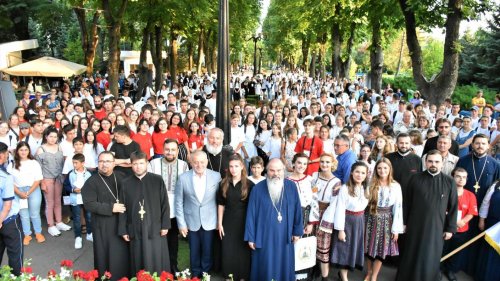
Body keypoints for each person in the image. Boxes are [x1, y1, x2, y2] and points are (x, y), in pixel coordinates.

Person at [395, 150, 458, 281]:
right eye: (430, 161)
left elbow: (453, 207)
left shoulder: (449, 182)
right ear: (425, 162)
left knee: (431, 256)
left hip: (436, 227)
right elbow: (406, 202)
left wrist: (450, 229)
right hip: (414, 225)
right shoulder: (414, 178)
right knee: (411, 253)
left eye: (436, 161)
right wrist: (404, 223)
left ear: (442, 163)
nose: (433, 164)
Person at [244, 158, 303, 281]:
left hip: (285, 237)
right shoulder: (257, 189)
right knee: (266, 265)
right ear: (266, 171)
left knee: (284, 265)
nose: (276, 174)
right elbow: (251, 214)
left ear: (283, 171)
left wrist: (297, 231)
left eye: (279, 170)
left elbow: (298, 209)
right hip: (264, 236)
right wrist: (250, 237)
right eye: (272, 170)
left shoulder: (291, 187)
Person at [118, 151, 170, 275]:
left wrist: (165, 225)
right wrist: (123, 229)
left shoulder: (157, 180)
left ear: (147, 163)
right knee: (138, 256)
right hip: (135, 227)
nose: (138, 166)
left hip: (155, 226)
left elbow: (164, 204)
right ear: (131, 165)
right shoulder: (125, 183)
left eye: (141, 163)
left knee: (156, 255)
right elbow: (122, 208)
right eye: (135, 164)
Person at [455, 133, 500, 276]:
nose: (480, 146)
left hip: (483, 211)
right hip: (464, 209)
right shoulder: (463, 161)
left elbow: (495, 188)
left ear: (488, 146)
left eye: (483, 143)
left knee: (477, 240)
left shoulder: (495, 164)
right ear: (472, 144)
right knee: (460, 239)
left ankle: (473, 268)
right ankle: (455, 267)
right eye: (477, 143)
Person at [82, 151, 129, 280]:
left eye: (108, 161)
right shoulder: (91, 182)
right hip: (103, 225)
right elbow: (89, 204)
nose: (104, 164)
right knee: (105, 255)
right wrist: (111, 207)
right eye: (101, 161)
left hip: (121, 223)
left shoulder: (122, 177)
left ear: (114, 164)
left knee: (122, 254)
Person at [175, 150, 221, 278]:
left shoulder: (216, 176)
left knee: (208, 249)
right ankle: (195, 274)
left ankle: (206, 273)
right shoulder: (183, 178)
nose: (199, 165)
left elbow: (220, 200)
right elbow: (178, 202)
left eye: (202, 162)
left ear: (206, 162)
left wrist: (219, 221)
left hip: (210, 220)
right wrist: (182, 224)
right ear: (191, 162)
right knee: (194, 250)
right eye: (195, 162)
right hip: (191, 221)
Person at [149, 139, 189, 273]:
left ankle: (173, 268)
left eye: (173, 149)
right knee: (158, 240)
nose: (170, 152)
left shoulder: (183, 165)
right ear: (162, 149)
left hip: (176, 208)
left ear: (177, 151)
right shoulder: (153, 163)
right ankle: (158, 268)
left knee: (173, 241)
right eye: (167, 149)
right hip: (158, 208)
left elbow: (186, 188)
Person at [364, 158, 404, 281]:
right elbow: (364, 201)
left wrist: (396, 229)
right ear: (376, 169)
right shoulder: (371, 184)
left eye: (385, 168)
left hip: (387, 220)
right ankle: (369, 272)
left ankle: (375, 275)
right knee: (368, 248)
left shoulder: (395, 186)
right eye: (379, 168)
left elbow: (398, 207)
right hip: (370, 218)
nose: (382, 170)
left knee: (381, 249)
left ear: (390, 169)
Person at [330, 162, 370, 281]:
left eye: (363, 173)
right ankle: (344, 277)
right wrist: (341, 230)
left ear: (366, 174)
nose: (359, 175)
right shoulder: (345, 188)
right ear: (352, 172)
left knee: (353, 247)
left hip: (359, 221)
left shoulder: (366, 188)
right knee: (344, 248)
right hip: (347, 221)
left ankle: (344, 274)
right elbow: (340, 210)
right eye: (357, 172)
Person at [217, 154, 254, 280]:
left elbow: (253, 208)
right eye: (231, 166)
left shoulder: (249, 185)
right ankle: (229, 276)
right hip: (228, 220)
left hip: (244, 220)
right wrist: (220, 223)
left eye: (236, 166)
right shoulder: (223, 183)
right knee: (228, 249)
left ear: (242, 166)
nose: (233, 169)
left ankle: (243, 276)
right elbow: (221, 204)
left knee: (243, 250)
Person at [307, 153, 341, 280]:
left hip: (325, 216)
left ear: (332, 164)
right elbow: (310, 193)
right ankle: (311, 272)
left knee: (323, 249)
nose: (324, 164)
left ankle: (325, 278)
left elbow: (333, 204)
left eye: (327, 162)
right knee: (309, 244)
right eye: (322, 162)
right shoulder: (315, 176)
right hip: (312, 213)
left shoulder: (336, 182)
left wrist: (325, 223)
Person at [441, 167, 478, 281]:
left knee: (455, 253)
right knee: (441, 250)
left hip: (461, 230)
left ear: (466, 179)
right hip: (444, 228)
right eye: (458, 176)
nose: (461, 179)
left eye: (463, 177)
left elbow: (472, 212)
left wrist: (462, 222)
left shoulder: (470, 195)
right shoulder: (445, 192)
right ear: (452, 177)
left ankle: (450, 271)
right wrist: (451, 222)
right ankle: (437, 269)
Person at [35, 126, 71, 237]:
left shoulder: (59, 147)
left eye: (55, 137)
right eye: (51, 136)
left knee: (57, 201)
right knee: (49, 202)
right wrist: (42, 182)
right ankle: (51, 225)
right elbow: (38, 168)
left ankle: (59, 222)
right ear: (46, 136)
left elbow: (62, 163)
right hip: (47, 179)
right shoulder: (41, 149)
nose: (53, 139)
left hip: (59, 178)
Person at [10, 142, 45, 245]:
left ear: (29, 151)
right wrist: (19, 193)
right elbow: (10, 181)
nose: (23, 152)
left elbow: (38, 179)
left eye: (26, 150)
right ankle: (27, 234)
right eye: (21, 150)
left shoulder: (34, 163)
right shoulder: (12, 164)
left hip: (33, 190)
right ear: (17, 151)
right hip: (18, 191)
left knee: (34, 213)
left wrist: (28, 192)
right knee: (23, 214)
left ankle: (38, 232)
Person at [0, 142, 23, 276]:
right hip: (8, 221)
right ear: (2, 156)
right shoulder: (6, 177)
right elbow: (7, 205)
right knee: (15, 255)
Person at [67, 153, 93, 249]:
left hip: (87, 199)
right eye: (73, 163)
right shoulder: (71, 174)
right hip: (75, 199)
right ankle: (78, 237)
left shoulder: (89, 174)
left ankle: (90, 234)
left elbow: (92, 186)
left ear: (83, 163)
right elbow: (66, 186)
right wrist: (73, 190)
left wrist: (86, 190)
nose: (74, 165)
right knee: (77, 219)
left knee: (89, 217)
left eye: (76, 163)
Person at [476, 180, 500, 281]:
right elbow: (485, 203)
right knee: (489, 253)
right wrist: (481, 220)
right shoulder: (496, 185)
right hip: (493, 225)